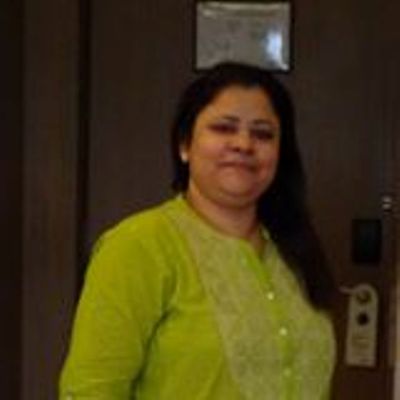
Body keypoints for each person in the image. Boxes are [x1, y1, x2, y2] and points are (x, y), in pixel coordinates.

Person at [60, 62, 336, 399]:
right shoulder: (138, 246)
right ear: (184, 144)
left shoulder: (293, 249)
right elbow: (90, 390)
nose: (244, 144)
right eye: (223, 128)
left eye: (263, 134)